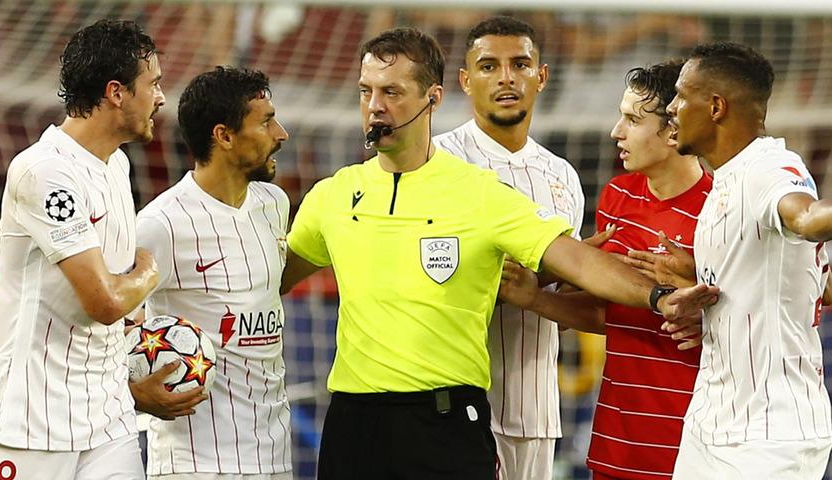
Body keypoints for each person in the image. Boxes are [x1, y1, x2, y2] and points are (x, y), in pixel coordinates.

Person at [280, 27, 717, 480]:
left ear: (432, 98)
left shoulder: (480, 192)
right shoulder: (332, 196)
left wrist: (659, 296)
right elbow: (272, 282)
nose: (375, 105)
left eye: (392, 92)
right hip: (353, 421)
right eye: (365, 91)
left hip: (448, 419)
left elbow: (578, 260)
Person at [500, 59, 713, 479]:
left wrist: (703, 303)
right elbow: (607, 313)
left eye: (633, 120)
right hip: (617, 441)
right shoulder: (617, 196)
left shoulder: (719, 208)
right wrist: (536, 297)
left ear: (673, 131)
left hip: (695, 442)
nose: (617, 131)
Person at [0, 19, 163, 479]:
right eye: (153, 84)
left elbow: (118, 306)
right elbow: (105, 302)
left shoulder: (116, 165)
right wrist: (150, 272)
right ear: (116, 93)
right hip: (27, 419)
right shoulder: (44, 172)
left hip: (107, 418)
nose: (160, 97)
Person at [664, 42, 832, 479]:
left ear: (715, 107)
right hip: (712, 420)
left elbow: (808, 220)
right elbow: (822, 284)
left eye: (681, 96)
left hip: (768, 436)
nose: (671, 108)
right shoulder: (726, 179)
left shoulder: (768, 168)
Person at [432, 16, 585, 479]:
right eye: (488, 66)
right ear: (465, 80)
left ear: (542, 76)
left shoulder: (562, 175)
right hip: (456, 406)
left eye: (520, 64)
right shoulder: (438, 161)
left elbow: (565, 305)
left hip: (537, 410)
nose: (506, 78)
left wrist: (570, 280)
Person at [134, 67, 292, 479]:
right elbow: (103, 329)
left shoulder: (274, 204)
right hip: (196, 463)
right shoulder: (161, 224)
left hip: (275, 455)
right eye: (266, 122)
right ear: (224, 136)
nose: (281, 134)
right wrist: (131, 391)